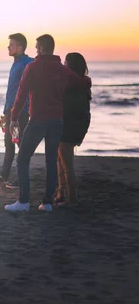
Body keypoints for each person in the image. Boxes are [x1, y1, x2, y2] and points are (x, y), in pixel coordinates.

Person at [5, 35, 91, 213]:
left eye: (37, 48)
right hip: (57, 122)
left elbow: (20, 96)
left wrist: (13, 118)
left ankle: (23, 201)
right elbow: (82, 82)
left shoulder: (32, 67)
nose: (35, 50)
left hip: (37, 121)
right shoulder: (62, 69)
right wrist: (87, 81)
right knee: (51, 161)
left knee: (22, 159)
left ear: (42, 49)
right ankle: (47, 203)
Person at [0, 33, 33, 188]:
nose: (8, 47)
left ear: (20, 47)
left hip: (20, 113)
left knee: (18, 142)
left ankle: (21, 179)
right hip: (11, 112)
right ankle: (4, 175)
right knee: (9, 143)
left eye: (12, 44)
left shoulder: (26, 63)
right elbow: (12, 90)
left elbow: (28, 88)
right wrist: (5, 112)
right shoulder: (16, 63)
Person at [54, 53, 92, 207]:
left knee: (67, 164)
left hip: (68, 125)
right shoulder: (83, 83)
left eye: (65, 62)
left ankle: (71, 198)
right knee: (60, 159)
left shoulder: (70, 84)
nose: (63, 64)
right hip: (77, 124)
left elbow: (69, 107)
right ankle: (61, 193)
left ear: (71, 65)